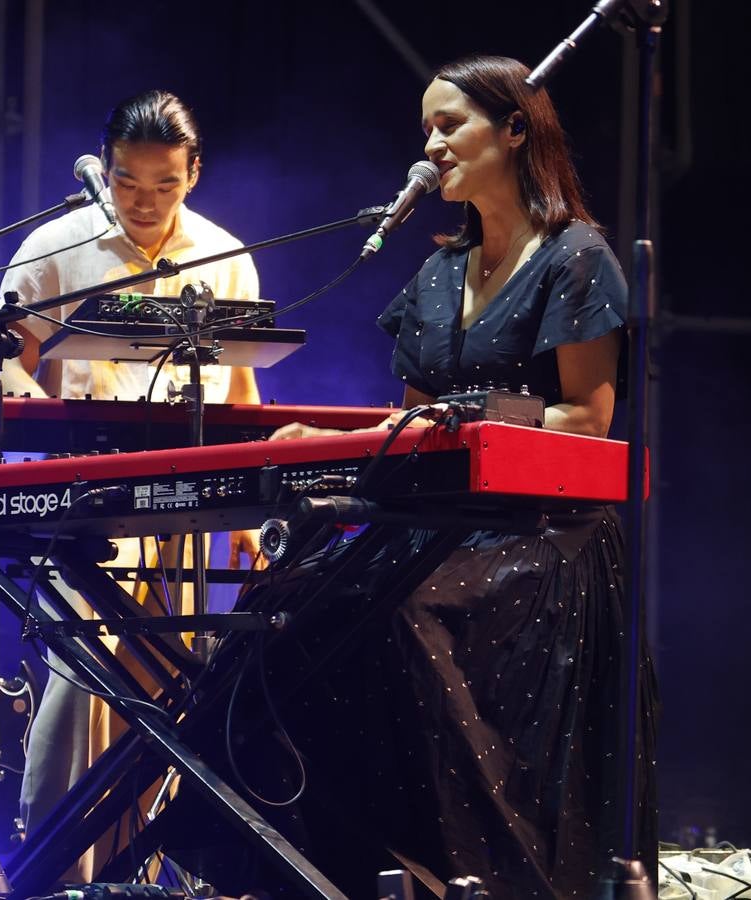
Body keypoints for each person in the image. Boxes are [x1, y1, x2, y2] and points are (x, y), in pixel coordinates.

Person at [268, 55, 658, 900]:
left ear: (515, 129)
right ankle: (324, 867)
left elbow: (589, 421)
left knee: (404, 611)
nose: (432, 147)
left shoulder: (576, 257)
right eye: (425, 132)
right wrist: (323, 437)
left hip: (543, 536)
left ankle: (478, 874)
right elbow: (414, 420)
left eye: (450, 126)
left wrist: (475, 422)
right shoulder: (440, 272)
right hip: (445, 526)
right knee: (296, 603)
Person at [0, 89, 261, 880]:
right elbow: (7, 356)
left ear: (194, 174)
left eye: (164, 184)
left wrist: (248, 513)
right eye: (127, 182)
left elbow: (241, 390)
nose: (143, 202)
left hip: (189, 496)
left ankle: (139, 875)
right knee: (83, 673)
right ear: (103, 170)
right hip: (87, 499)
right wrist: (48, 430)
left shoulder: (226, 254)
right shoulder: (57, 245)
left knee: (165, 684)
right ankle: (48, 872)